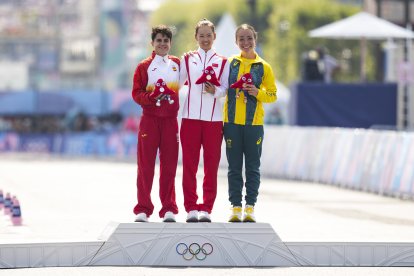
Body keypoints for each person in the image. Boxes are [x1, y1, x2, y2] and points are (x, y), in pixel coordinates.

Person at [224, 24, 277, 223]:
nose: (246, 43)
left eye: (249, 38)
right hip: (231, 123)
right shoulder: (229, 63)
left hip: (254, 124)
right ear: (236, 42)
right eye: (241, 39)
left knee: (253, 167)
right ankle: (236, 207)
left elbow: (273, 95)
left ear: (255, 39)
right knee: (234, 167)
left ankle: (250, 207)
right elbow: (221, 88)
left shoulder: (264, 67)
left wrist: (258, 93)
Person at [179, 18, 229, 223]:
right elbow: (175, 83)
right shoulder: (187, 59)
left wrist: (215, 91)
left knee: (211, 167)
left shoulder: (223, 62)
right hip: (189, 118)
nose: (205, 39)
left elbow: (225, 89)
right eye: (202, 35)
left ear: (214, 36)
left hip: (213, 120)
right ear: (196, 37)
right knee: (189, 166)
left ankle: (206, 208)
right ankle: (191, 207)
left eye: (209, 35)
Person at [131, 25, 180, 223]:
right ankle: (143, 209)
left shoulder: (177, 64)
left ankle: (168, 208)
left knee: (169, 167)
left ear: (170, 43)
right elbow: (136, 94)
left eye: (166, 41)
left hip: (170, 121)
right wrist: (151, 97)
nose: (162, 44)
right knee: (146, 166)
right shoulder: (143, 66)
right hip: (149, 121)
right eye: (158, 40)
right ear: (152, 43)